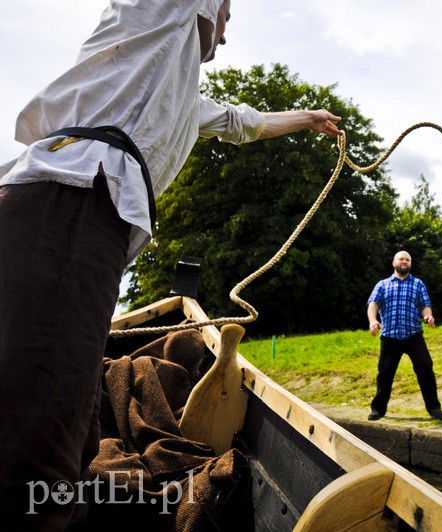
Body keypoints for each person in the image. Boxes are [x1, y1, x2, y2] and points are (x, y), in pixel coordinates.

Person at [0, 1, 342, 529]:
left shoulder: (175, 94)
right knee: (37, 444)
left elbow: (238, 122)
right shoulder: (158, 14)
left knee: (69, 420)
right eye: (226, 17)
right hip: (65, 210)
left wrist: (308, 118)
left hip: (78, 224)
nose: (224, 38)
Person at [367, 251, 442, 421]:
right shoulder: (383, 285)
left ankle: (434, 409)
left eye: (407, 260)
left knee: (425, 368)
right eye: (401, 259)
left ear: (410, 264)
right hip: (390, 337)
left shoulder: (418, 284)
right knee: (385, 373)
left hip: (413, 336)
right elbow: (372, 304)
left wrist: (428, 315)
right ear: (393, 262)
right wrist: (373, 321)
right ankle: (378, 410)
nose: (404, 261)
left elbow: (425, 305)